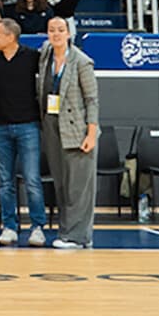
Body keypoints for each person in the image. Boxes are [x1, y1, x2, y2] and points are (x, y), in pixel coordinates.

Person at [38, 16, 101, 249]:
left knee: (79, 186)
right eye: (52, 30)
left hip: (78, 128)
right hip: (53, 125)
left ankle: (79, 237)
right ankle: (66, 233)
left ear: (69, 33)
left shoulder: (82, 62)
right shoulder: (45, 55)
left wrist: (91, 134)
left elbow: (92, 100)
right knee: (62, 184)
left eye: (60, 30)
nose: (55, 34)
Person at [0, 18, 47, 247]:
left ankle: (37, 227)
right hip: (1, 127)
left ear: (11, 37)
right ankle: (9, 226)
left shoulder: (31, 57)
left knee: (32, 179)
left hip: (28, 125)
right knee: (5, 181)